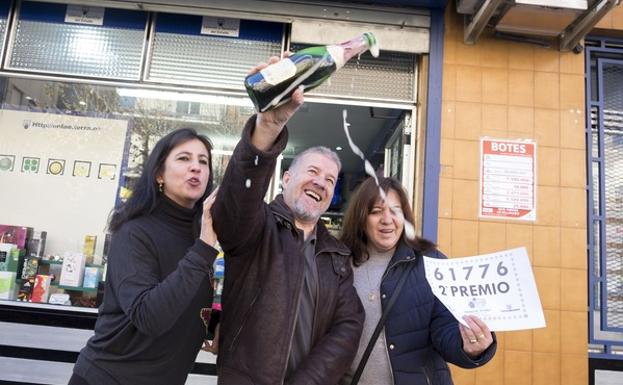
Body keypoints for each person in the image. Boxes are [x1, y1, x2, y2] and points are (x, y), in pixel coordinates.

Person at [211, 58, 364, 385]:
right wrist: (266, 129)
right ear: (286, 178)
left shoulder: (337, 256)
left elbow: (347, 327)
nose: (321, 182)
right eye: (312, 172)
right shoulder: (256, 226)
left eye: (330, 180)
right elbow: (233, 208)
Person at [70, 128, 220, 385]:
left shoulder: (199, 234)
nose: (196, 167)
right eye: (184, 158)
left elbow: (182, 298)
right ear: (159, 174)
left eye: (203, 161)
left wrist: (213, 324)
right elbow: (149, 316)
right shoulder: (134, 233)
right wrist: (206, 246)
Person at [339, 176, 497, 385]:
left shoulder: (431, 262)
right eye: (376, 211)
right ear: (361, 217)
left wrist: (469, 347)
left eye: (395, 211)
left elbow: (446, 328)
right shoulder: (339, 263)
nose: (387, 219)